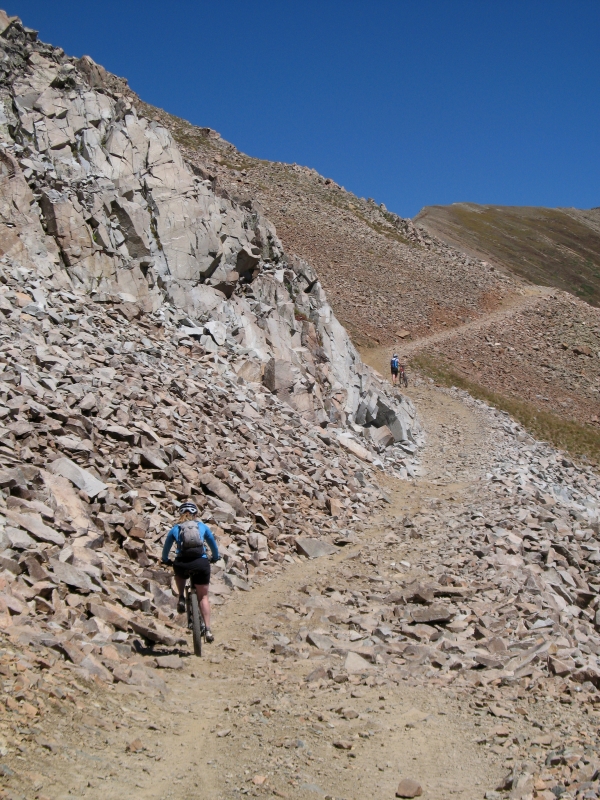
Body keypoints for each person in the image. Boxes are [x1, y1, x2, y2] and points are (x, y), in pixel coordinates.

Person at [162, 501, 219, 643]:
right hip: (201, 563)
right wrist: (215, 557)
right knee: (203, 597)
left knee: (179, 572)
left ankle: (181, 596)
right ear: (195, 514)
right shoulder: (202, 527)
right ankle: (208, 629)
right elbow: (213, 544)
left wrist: (166, 560)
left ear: (180, 514)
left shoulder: (176, 529)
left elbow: (166, 549)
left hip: (182, 563)